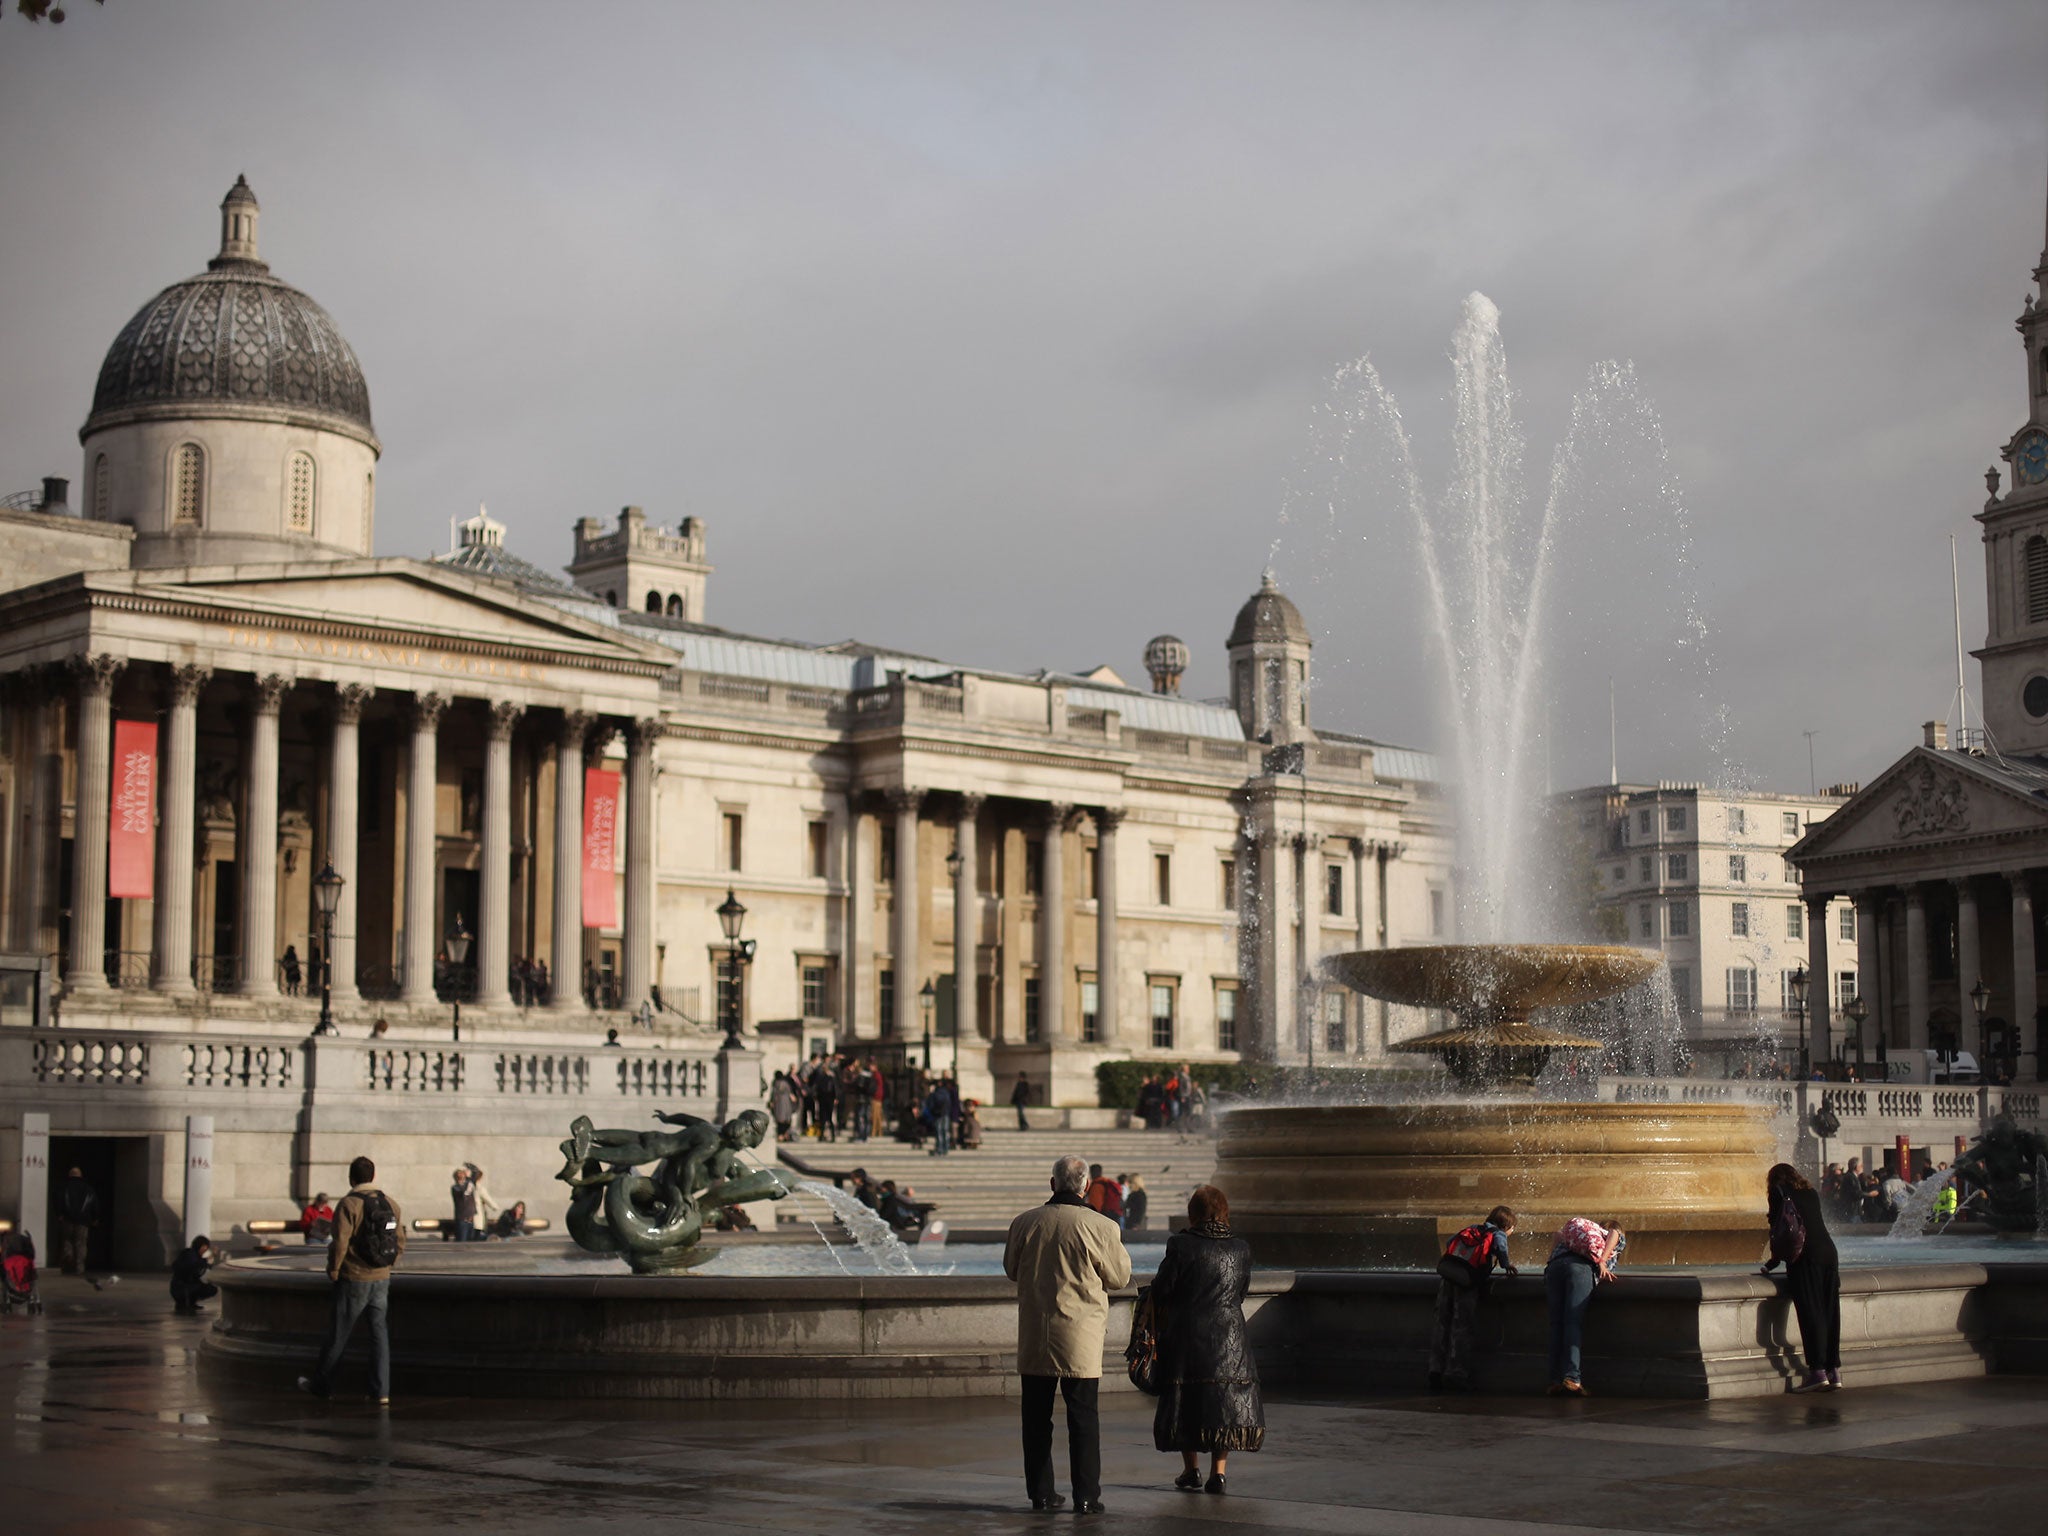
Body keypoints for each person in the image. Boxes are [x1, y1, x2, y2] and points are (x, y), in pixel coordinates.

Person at [1004, 1154, 1133, 1514]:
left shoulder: (1024, 1222)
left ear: (1052, 1184)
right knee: (1083, 1418)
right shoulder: (1101, 1227)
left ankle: (1042, 1493)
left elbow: (1011, 1270)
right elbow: (1119, 1278)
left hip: (1036, 1332)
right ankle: (1087, 1495)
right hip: (1080, 1336)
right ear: (1086, 1187)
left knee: (1035, 1418)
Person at [1151, 1183, 1263, 1494]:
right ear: (1224, 1212)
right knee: (1225, 1400)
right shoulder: (1241, 1247)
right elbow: (1241, 1292)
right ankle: (1219, 1473)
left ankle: (1191, 1471)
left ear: (1193, 1213)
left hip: (1188, 1333)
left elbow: (1162, 1289)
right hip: (1230, 1335)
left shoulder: (1181, 1245)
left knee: (1186, 1397)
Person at [299, 1155, 405, 1405]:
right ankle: (381, 1391)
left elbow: (340, 1243)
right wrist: (389, 1264)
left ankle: (322, 1385)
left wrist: (334, 1270)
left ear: (351, 1177)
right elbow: (400, 1241)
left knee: (339, 1334)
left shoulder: (349, 1204)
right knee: (379, 1335)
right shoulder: (390, 1203)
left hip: (354, 1277)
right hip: (382, 1278)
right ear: (374, 1176)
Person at [1760, 1162, 1841, 1391]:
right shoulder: (1810, 1191)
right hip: (1829, 1253)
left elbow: (1781, 1229)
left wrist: (1773, 1263)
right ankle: (1833, 1371)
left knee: (1811, 1312)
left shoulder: (1779, 1192)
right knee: (1829, 1312)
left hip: (1805, 1257)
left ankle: (1816, 1371)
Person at [1428, 1205, 1518, 1392]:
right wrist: (1506, 1264)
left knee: (1442, 1323)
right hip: (1466, 1284)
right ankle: (1456, 1374)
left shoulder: (1473, 1228)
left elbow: (1451, 1243)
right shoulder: (1498, 1234)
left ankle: (1435, 1370)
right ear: (1507, 1226)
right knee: (1461, 1327)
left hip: (1448, 1277)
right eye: (1512, 1229)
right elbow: (1501, 1247)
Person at [1543, 1215, 1623, 1397]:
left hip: (1555, 1268)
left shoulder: (1577, 1235)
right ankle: (1572, 1378)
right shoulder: (1606, 1234)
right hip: (1580, 1269)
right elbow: (1615, 1233)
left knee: (1556, 1324)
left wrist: (1551, 1260)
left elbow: (1557, 1235)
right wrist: (1602, 1260)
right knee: (1572, 1322)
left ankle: (1554, 1380)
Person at [55, 1166, 98, 1275]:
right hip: (83, 1221)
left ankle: (68, 1257)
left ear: (70, 1175)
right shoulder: (88, 1189)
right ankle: (80, 1267)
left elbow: (58, 1201)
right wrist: (95, 1218)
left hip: (67, 1219)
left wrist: (59, 1214)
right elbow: (94, 1204)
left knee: (67, 1240)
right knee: (81, 1243)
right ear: (80, 1175)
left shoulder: (64, 1187)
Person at [169, 1235, 218, 1313]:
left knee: (210, 1288)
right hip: (182, 1287)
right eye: (204, 1247)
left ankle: (190, 1303)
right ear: (200, 1246)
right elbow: (194, 1267)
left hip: (182, 1286)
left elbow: (200, 1269)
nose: (205, 1250)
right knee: (202, 1287)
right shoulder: (190, 1254)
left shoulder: (192, 1255)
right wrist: (208, 1259)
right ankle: (184, 1303)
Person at [450, 1166, 481, 1242]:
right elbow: (463, 1193)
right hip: (462, 1219)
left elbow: (477, 1174)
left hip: (471, 1218)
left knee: (470, 1241)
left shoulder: (469, 1184)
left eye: (463, 1173)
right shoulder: (455, 1187)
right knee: (462, 1241)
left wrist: (470, 1168)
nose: (462, 1174)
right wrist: (468, 1179)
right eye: (460, 1173)